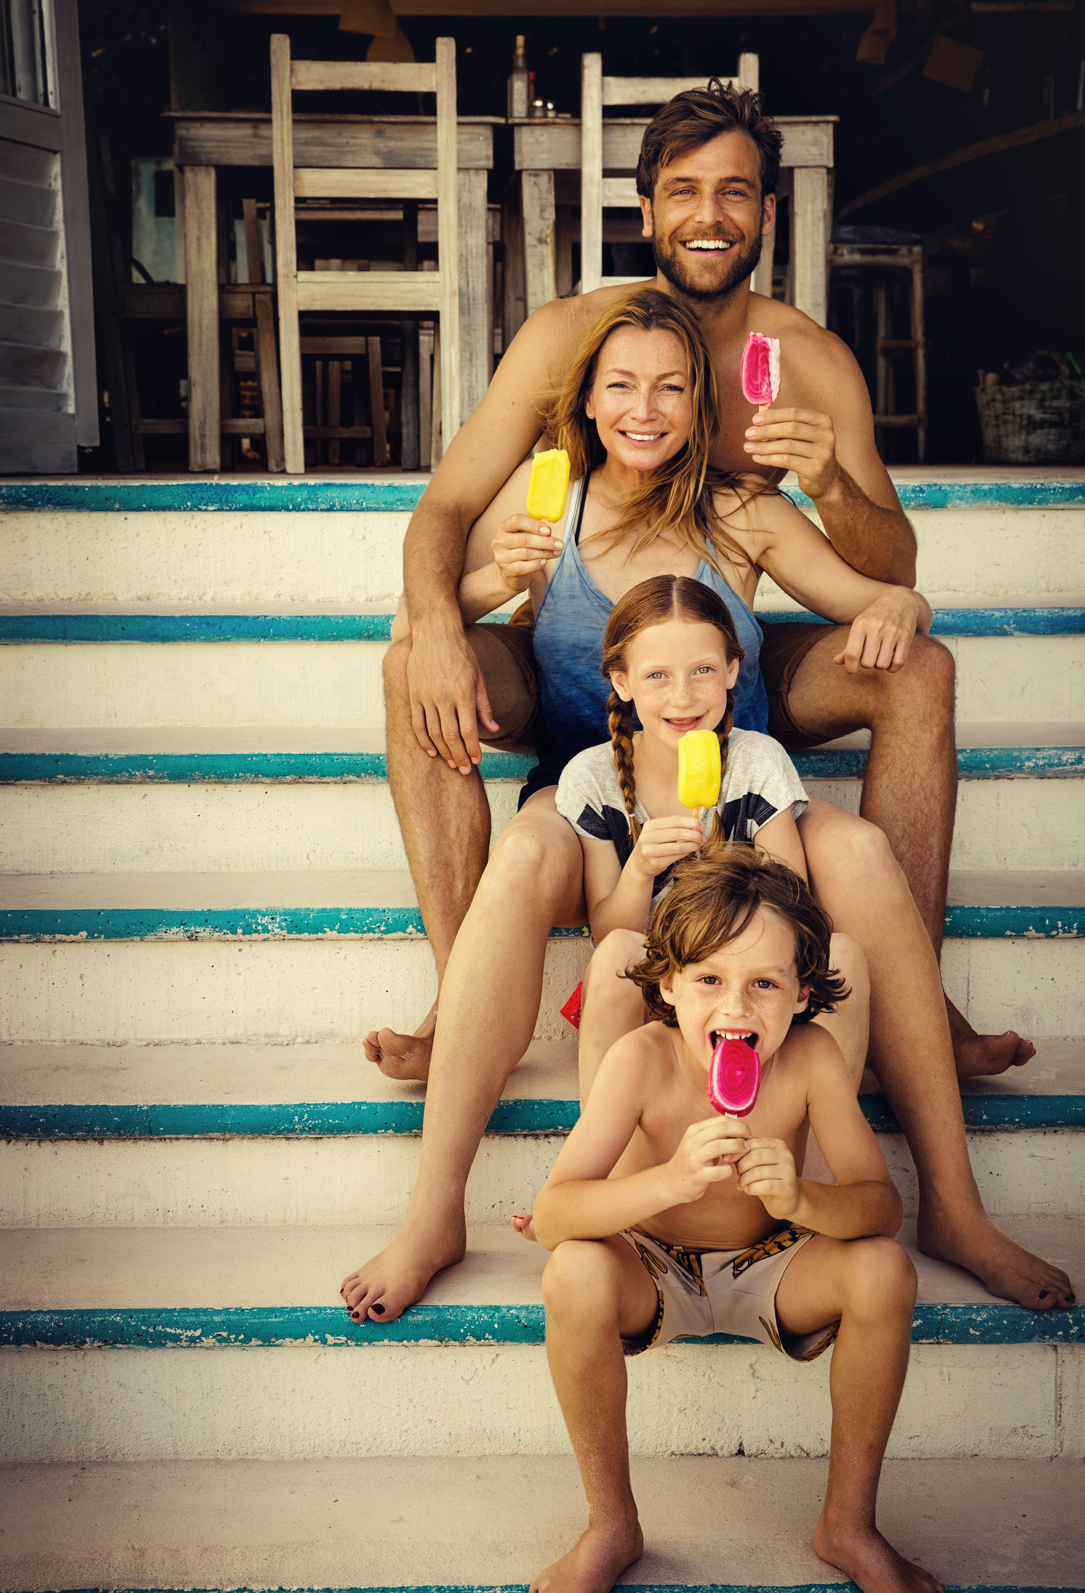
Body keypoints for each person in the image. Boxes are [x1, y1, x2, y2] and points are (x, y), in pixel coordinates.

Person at [341, 290, 1074, 1324]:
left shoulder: (739, 508)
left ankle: (954, 1204)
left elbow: (877, 593)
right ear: (586, 401)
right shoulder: (547, 501)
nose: (644, 410)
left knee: (862, 855)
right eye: (620, 387)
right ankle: (432, 1211)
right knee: (517, 862)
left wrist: (903, 607)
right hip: (593, 784)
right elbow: (421, 612)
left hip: (744, 788)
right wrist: (482, 589)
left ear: (700, 405)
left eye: (671, 389)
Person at [369, 77, 1032, 1087]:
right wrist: (436, 625)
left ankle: (915, 1004)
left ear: (766, 212)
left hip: (727, 681)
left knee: (921, 670)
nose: (708, 215)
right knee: (413, 663)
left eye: (734, 191)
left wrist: (826, 482)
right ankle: (460, 1003)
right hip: (568, 669)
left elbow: (890, 568)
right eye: (683, 190)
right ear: (646, 211)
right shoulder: (571, 339)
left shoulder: (808, 361)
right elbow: (445, 510)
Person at [528, 847, 945, 1593]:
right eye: (711, 979)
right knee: (573, 1270)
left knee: (882, 1269)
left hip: (773, 1266)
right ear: (668, 985)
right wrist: (669, 1182)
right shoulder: (641, 1061)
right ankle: (611, 1525)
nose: (736, 1006)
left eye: (765, 984)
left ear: (803, 993)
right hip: (652, 1270)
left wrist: (801, 1200)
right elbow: (554, 1214)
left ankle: (848, 1525)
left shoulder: (811, 1059)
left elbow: (880, 1206)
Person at [553, 574, 868, 1111]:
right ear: (622, 682)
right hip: (658, 982)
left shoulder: (756, 762)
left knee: (846, 955)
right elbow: (609, 934)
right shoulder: (592, 777)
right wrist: (640, 870)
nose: (683, 696)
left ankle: (812, 1144)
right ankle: (606, 1149)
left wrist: (726, 877)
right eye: (657, 675)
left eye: (702, 670)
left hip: (748, 981)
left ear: (732, 672)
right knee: (615, 956)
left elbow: (793, 906)